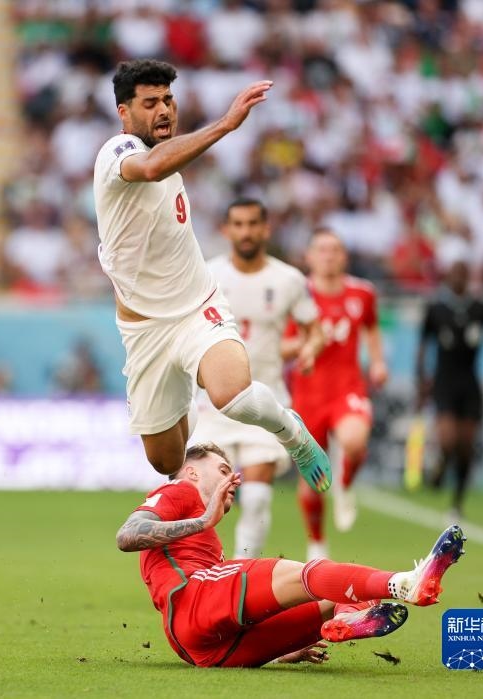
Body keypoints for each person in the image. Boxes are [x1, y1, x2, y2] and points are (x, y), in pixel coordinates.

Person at [92, 58, 330, 492]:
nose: (164, 110)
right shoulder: (117, 152)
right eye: (150, 103)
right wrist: (225, 125)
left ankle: (291, 433)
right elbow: (150, 167)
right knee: (165, 460)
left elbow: (160, 164)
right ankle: (184, 391)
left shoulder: (168, 156)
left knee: (231, 395)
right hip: (145, 331)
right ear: (124, 112)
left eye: (168, 100)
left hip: (196, 309)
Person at [116, 443, 466, 668]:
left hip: (208, 650)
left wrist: (281, 651)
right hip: (192, 600)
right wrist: (204, 519)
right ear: (192, 471)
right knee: (307, 574)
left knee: (340, 593)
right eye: (223, 470)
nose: (233, 478)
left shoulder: (203, 538)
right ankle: (404, 583)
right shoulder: (179, 489)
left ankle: (347, 618)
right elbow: (127, 535)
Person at [193, 198, 324, 559]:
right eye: (238, 224)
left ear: (266, 229)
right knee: (199, 495)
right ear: (226, 230)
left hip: (266, 402)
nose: (246, 232)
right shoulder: (207, 275)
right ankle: (201, 571)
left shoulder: (289, 279)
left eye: (253, 224)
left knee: (256, 498)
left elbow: (314, 329)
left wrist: (310, 349)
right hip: (214, 405)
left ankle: (240, 573)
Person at [289, 227, 387, 560]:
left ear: (344, 256)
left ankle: (344, 484)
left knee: (355, 441)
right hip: (308, 395)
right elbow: (282, 344)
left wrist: (377, 362)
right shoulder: (297, 295)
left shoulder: (363, 293)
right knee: (312, 480)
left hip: (347, 388)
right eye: (322, 249)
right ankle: (317, 543)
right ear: (309, 256)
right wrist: (305, 348)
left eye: (335, 249)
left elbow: (371, 327)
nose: (329, 256)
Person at [417, 260, 483, 521]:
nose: (459, 279)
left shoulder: (481, 308)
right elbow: (423, 346)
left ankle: (457, 502)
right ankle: (440, 465)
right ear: (447, 278)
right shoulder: (436, 309)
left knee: (466, 445)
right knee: (448, 439)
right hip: (444, 382)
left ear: (469, 278)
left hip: (470, 382)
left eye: (463, 274)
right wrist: (421, 382)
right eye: (454, 274)